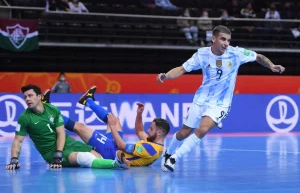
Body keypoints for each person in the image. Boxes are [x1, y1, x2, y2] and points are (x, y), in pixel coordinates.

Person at [156, 25, 285, 172]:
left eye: (228, 40)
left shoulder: (236, 53)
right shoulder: (202, 54)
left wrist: (271, 66)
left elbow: (258, 57)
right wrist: (165, 76)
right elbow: (181, 69)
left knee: (202, 129)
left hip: (220, 104)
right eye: (223, 39)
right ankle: (168, 153)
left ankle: (174, 158)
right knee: (184, 132)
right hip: (201, 99)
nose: (226, 43)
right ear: (214, 38)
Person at [5, 84, 129, 170]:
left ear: (38, 96)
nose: (27, 99)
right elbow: (18, 141)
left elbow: (61, 133)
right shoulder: (25, 118)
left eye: (30, 95)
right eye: (25, 97)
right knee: (84, 156)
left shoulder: (53, 110)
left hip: (70, 144)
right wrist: (14, 160)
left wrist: (59, 153)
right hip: (50, 152)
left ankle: (88, 100)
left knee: (98, 156)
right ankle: (116, 164)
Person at [42, 86, 170, 166]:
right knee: (115, 119)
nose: (148, 130)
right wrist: (139, 115)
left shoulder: (150, 149)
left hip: (111, 153)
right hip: (116, 148)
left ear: (159, 133)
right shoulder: (155, 143)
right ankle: (88, 100)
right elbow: (140, 130)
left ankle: (47, 110)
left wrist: (113, 127)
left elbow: (121, 146)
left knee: (80, 127)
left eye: (151, 129)